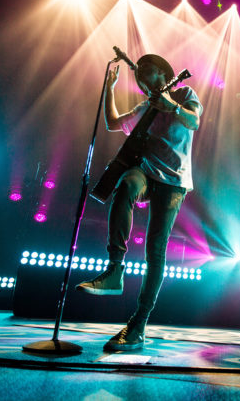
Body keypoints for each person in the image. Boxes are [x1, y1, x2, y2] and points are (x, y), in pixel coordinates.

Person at [76, 53, 202, 351]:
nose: (142, 73)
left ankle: (138, 324)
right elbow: (112, 123)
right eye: (140, 70)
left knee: (155, 250)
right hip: (146, 173)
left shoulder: (183, 93)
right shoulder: (145, 106)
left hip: (173, 182)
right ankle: (115, 269)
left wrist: (170, 106)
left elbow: (193, 121)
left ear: (162, 72)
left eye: (148, 68)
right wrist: (110, 87)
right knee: (125, 186)